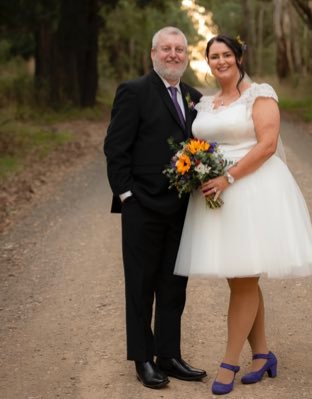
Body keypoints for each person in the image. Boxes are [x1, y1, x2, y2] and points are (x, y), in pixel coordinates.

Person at [174, 34, 312, 395]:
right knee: (240, 277)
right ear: (207, 62)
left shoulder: (260, 94)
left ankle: (229, 362)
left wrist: (228, 176)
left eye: (227, 54)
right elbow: (200, 143)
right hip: (217, 197)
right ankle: (262, 353)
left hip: (252, 190)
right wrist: (195, 168)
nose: (221, 61)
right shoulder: (206, 103)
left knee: (243, 279)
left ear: (239, 58)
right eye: (214, 56)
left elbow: (268, 144)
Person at [103, 26, 205, 389]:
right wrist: (127, 195)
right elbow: (115, 149)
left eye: (180, 49)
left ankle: (169, 355)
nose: (173, 54)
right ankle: (143, 359)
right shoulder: (134, 92)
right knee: (141, 286)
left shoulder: (194, 97)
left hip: (181, 209)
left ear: (186, 55)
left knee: (174, 284)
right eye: (166, 49)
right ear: (153, 54)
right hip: (142, 206)